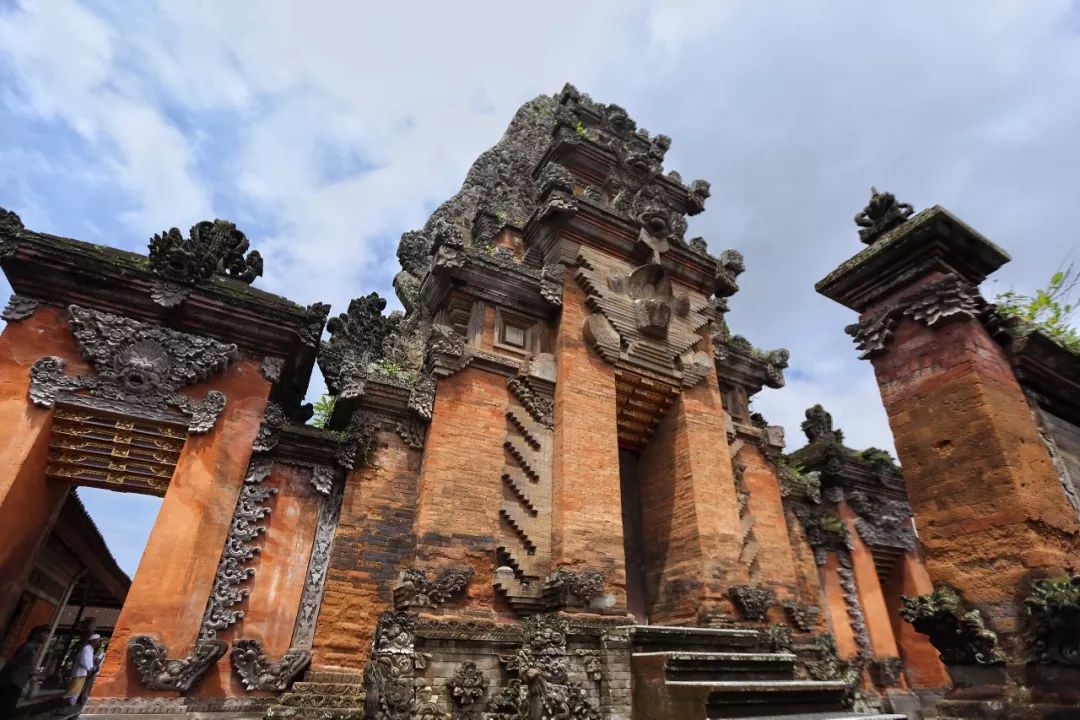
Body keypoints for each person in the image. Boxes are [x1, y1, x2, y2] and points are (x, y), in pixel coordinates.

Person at [0, 625, 49, 718]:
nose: (46, 636)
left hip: (16, 682)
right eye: (45, 633)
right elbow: (14, 662)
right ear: (36, 634)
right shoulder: (28, 646)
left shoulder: (33, 648)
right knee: (4, 708)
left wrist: (32, 675)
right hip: (12, 682)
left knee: (7, 709)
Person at [61, 633, 100, 708]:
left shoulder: (90, 649)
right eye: (97, 640)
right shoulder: (87, 648)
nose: (98, 642)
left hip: (83, 673)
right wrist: (90, 668)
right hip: (80, 673)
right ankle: (63, 707)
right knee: (73, 691)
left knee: (76, 691)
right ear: (93, 641)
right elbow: (85, 660)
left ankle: (68, 706)